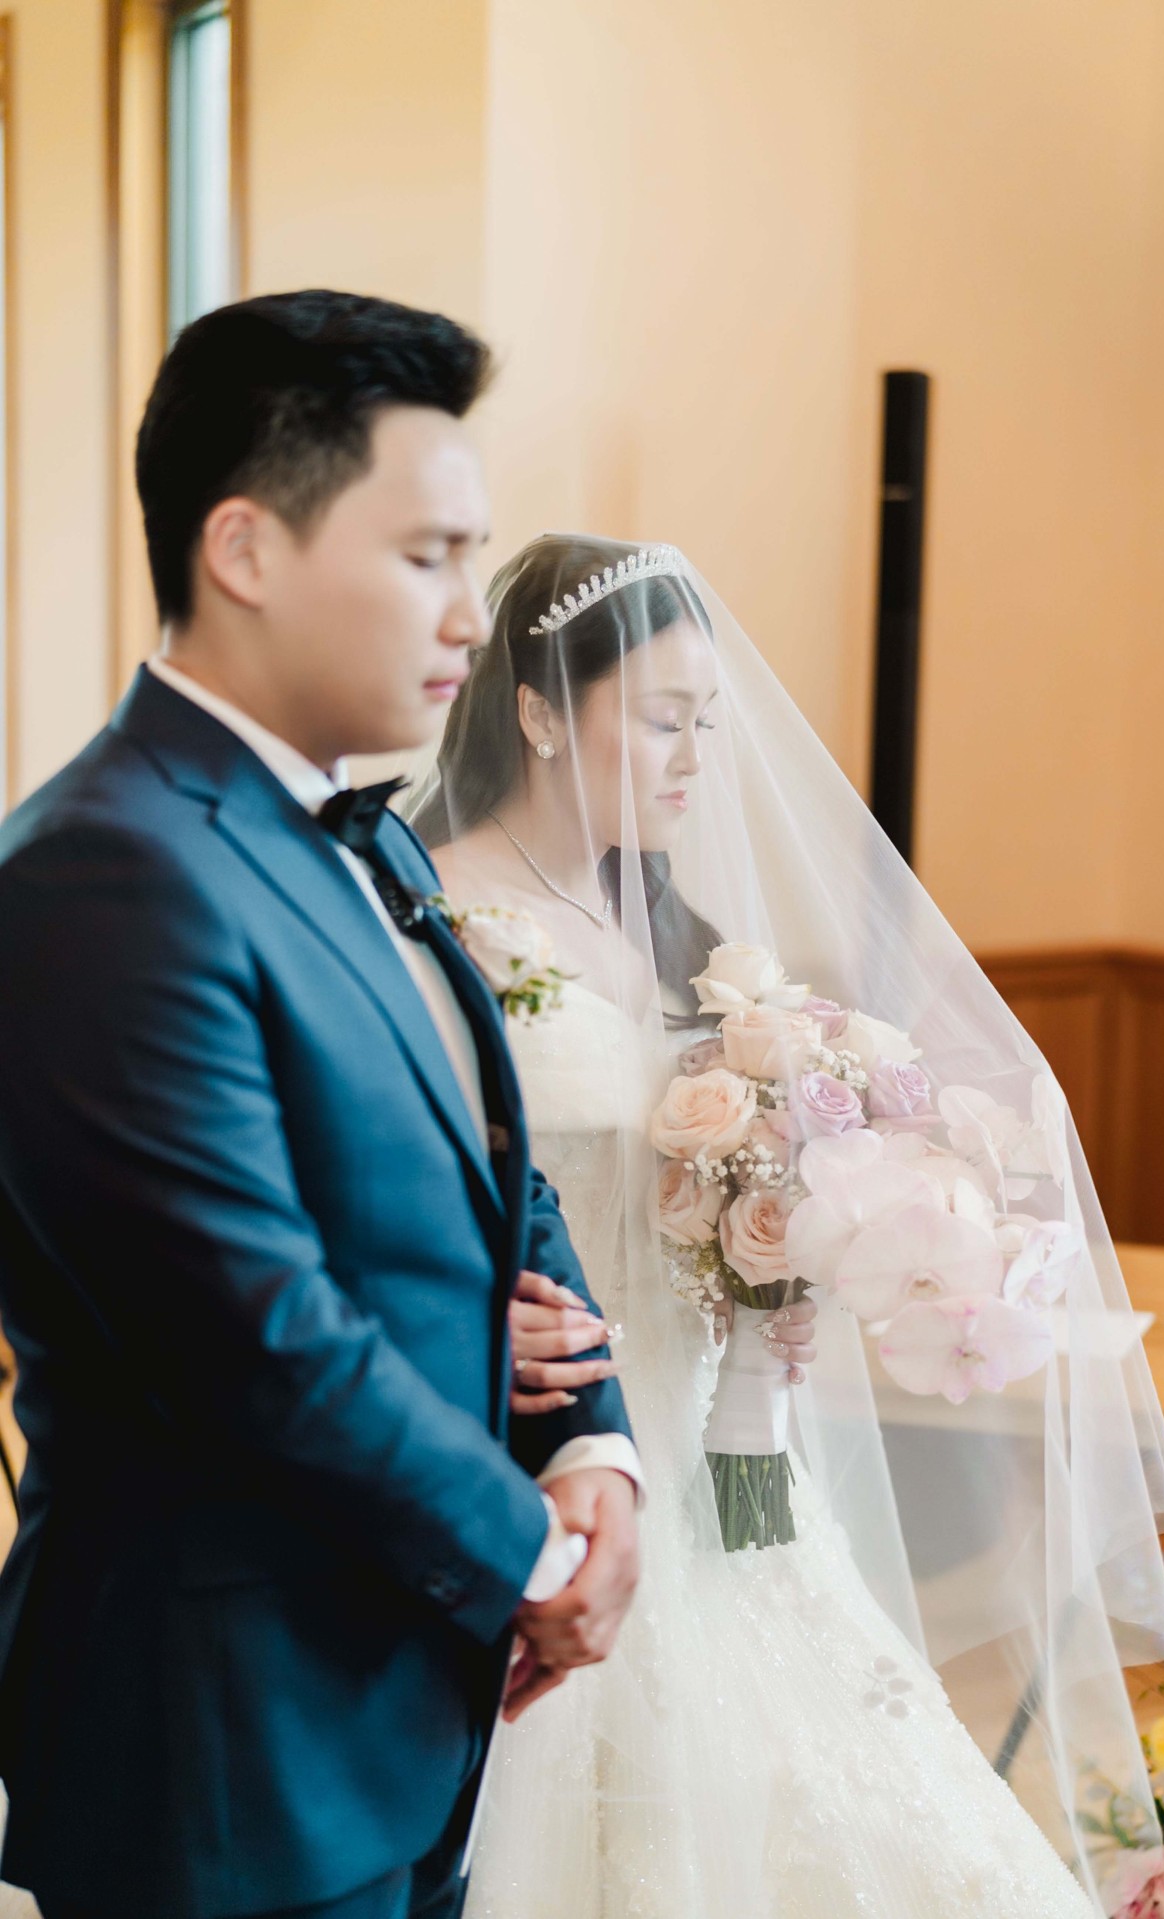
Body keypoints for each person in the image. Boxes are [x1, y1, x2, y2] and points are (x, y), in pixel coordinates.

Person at [408, 532, 1164, 1917]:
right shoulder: (441, 914)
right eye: (662, 718)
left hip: (717, 1442)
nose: (696, 758)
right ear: (538, 712)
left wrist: (805, 1242)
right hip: (549, 1437)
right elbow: (397, 1183)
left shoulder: (664, 924)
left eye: (708, 721)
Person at [0, 297, 639, 1919]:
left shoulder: (373, 832)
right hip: (226, 1740)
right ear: (246, 548)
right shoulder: (103, 872)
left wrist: (593, 1450)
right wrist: (532, 1557)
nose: (472, 617)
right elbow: (248, 1333)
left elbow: (501, 1178)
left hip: (407, 1697)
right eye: (427, 556)